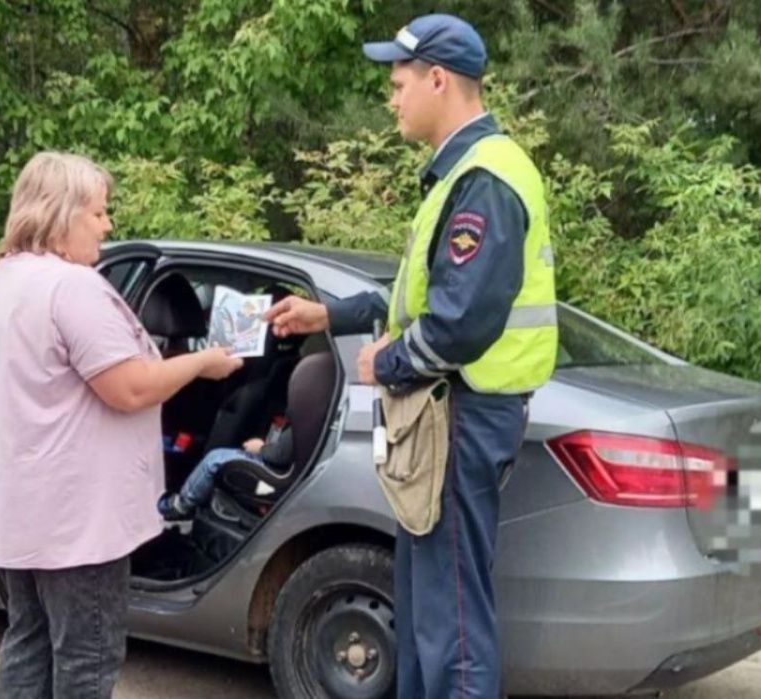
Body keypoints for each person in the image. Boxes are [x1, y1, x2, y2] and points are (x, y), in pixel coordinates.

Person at [265, 14, 557, 698]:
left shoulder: (485, 180)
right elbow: (419, 300)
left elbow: (458, 323)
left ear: (437, 79)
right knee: (429, 604)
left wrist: (384, 365)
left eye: (398, 84)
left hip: (463, 414)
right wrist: (329, 314)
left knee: (452, 616)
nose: (391, 99)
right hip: (451, 415)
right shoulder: (462, 173)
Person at [0, 151, 243, 699]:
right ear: (62, 214)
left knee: (29, 639)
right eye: (99, 212)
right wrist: (204, 363)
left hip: (19, 512)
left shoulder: (0, 281)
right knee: (87, 659)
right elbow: (132, 389)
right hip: (77, 526)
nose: (107, 224)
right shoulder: (72, 287)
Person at [157, 417, 293, 520]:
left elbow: (279, 455)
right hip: (286, 469)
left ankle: (181, 507)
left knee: (215, 459)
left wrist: (260, 448)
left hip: (280, 474)